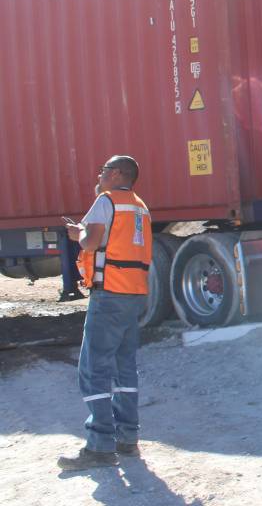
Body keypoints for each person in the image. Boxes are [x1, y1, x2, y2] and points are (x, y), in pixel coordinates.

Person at [57, 156, 153, 471]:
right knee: (124, 368)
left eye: (102, 171)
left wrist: (78, 235)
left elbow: (92, 241)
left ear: (115, 174)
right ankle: (128, 439)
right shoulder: (140, 207)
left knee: (93, 369)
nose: (99, 176)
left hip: (109, 293)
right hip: (134, 294)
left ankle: (99, 446)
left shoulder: (106, 200)